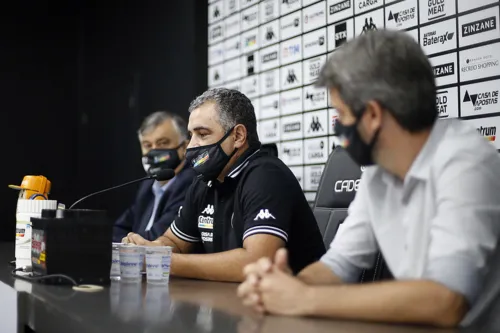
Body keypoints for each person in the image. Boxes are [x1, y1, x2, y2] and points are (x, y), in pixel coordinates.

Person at [237, 30, 500, 327]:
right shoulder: (378, 172)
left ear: (373, 114)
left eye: (342, 114)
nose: (339, 127)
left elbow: (446, 301)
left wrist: (304, 298)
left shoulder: (466, 162)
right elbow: (339, 265)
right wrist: (281, 284)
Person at [123, 88, 326, 282]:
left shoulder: (266, 175)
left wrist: (164, 261)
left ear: (238, 136)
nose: (191, 146)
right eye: (191, 135)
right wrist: (149, 249)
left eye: (202, 134)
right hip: (232, 303)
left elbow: (258, 262)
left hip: (295, 306)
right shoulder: (204, 181)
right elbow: (175, 242)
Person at [113, 111, 196, 242]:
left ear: (184, 147)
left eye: (162, 143)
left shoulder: (191, 182)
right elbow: (119, 228)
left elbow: (158, 238)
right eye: (147, 145)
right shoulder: (148, 185)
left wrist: (126, 245)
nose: (154, 151)